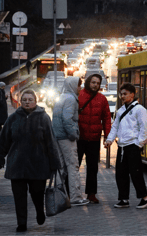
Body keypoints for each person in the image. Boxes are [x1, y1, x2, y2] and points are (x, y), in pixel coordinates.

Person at [0, 89, 61, 232]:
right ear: (20, 101)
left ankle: (39, 210)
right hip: (17, 164)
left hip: (39, 164)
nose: (27, 102)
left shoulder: (43, 118)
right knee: (19, 196)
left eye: (30, 100)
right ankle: (22, 223)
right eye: (24, 100)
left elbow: (51, 142)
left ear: (35, 102)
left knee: (37, 192)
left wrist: (55, 162)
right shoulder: (13, 118)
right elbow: (4, 140)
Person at [104, 83, 147, 209]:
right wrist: (109, 140)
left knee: (136, 173)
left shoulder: (139, 110)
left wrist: (139, 144)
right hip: (122, 147)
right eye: (121, 94)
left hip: (132, 146)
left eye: (125, 94)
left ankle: (144, 198)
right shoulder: (120, 111)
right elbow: (115, 126)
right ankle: (123, 199)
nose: (122, 96)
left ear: (132, 94)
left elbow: (144, 127)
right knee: (121, 174)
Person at [52, 76, 90, 206]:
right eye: (79, 85)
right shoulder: (71, 99)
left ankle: (58, 196)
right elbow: (67, 119)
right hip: (67, 138)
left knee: (61, 168)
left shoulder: (62, 97)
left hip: (58, 137)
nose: (80, 88)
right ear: (73, 86)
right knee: (73, 167)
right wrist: (73, 134)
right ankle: (76, 196)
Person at [77, 74, 112, 204]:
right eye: (93, 82)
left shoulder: (102, 99)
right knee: (75, 166)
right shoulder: (79, 95)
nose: (95, 85)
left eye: (97, 83)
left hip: (94, 139)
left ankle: (91, 194)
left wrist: (107, 136)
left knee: (92, 168)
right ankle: (70, 193)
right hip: (79, 137)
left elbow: (107, 118)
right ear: (88, 82)